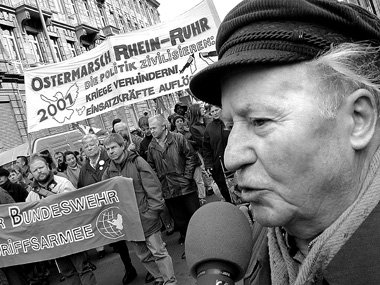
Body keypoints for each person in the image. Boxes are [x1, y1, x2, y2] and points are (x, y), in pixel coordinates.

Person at [189, 0, 380, 284]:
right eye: (229, 126)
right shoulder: (251, 239)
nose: (231, 158)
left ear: (358, 119)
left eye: (260, 121)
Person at [102, 133, 177, 285]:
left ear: (122, 146)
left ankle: (170, 281)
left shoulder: (137, 162)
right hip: (129, 222)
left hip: (146, 217)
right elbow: (107, 196)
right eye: (108, 149)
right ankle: (159, 278)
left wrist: (152, 213)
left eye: (114, 147)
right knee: (143, 255)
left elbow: (154, 188)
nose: (111, 151)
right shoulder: (108, 172)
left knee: (159, 252)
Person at [77, 134, 147, 285]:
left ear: (98, 145)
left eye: (92, 145)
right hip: (106, 212)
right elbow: (82, 189)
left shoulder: (110, 158)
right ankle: (129, 268)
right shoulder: (84, 169)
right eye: (86, 147)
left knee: (139, 238)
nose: (89, 148)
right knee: (119, 244)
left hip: (123, 205)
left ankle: (151, 267)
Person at [26, 154, 97, 285]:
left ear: (47, 166)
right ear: (31, 173)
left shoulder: (63, 183)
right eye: (35, 170)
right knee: (68, 273)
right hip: (53, 241)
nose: (39, 171)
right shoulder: (31, 195)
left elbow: (76, 206)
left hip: (71, 234)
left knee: (83, 269)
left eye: (41, 167)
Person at [147, 115, 200, 247]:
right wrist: (160, 183)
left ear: (163, 126)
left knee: (195, 216)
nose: (151, 131)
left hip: (185, 187)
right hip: (168, 190)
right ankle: (190, 246)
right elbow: (151, 167)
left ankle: (204, 242)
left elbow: (190, 157)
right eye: (150, 128)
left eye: (154, 128)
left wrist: (186, 177)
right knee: (180, 221)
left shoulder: (178, 138)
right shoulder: (151, 146)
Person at [202, 105, 232, 203]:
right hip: (218, 165)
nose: (215, 113)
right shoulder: (209, 128)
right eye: (212, 111)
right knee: (225, 190)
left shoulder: (230, 122)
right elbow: (206, 149)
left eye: (216, 110)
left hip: (233, 161)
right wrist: (208, 164)